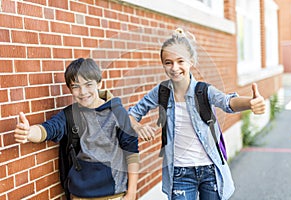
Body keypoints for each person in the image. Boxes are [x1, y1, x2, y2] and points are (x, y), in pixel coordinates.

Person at [128, 28, 266, 200]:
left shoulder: (203, 91)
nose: (174, 68)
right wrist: (138, 126)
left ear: (191, 61)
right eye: (168, 62)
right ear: (163, 64)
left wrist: (249, 103)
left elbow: (227, 102)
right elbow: (132, 114)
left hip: (209, 170)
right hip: (179, 173)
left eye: (180, 61)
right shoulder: (161, 92)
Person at [14, 58, 139, 200]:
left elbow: (131, 151)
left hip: (113, 195)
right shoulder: (69, 115)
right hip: (79, 196)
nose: (83, 92)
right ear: (70, 89)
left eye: (88, 84)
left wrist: (132, 192)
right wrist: (29, 132)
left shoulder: (117, 113)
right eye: (76, 86)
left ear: (99, 83)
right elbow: (48, 129)